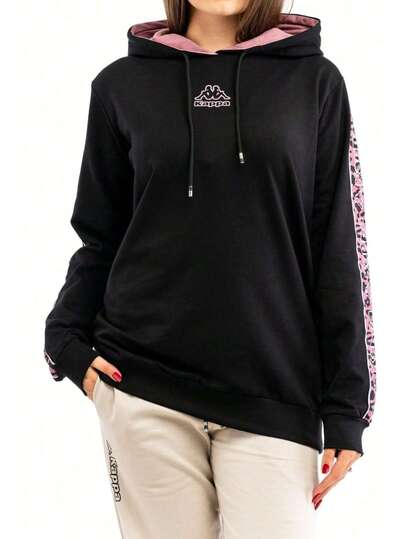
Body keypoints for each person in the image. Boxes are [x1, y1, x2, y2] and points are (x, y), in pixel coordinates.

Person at [43, 1, 377, 537]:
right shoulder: (120, 85)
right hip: (143, 384)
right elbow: (100, 236)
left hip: (276, 391)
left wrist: (346, 407)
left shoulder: (315, 81)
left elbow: (339, 246)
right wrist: (64, 339)